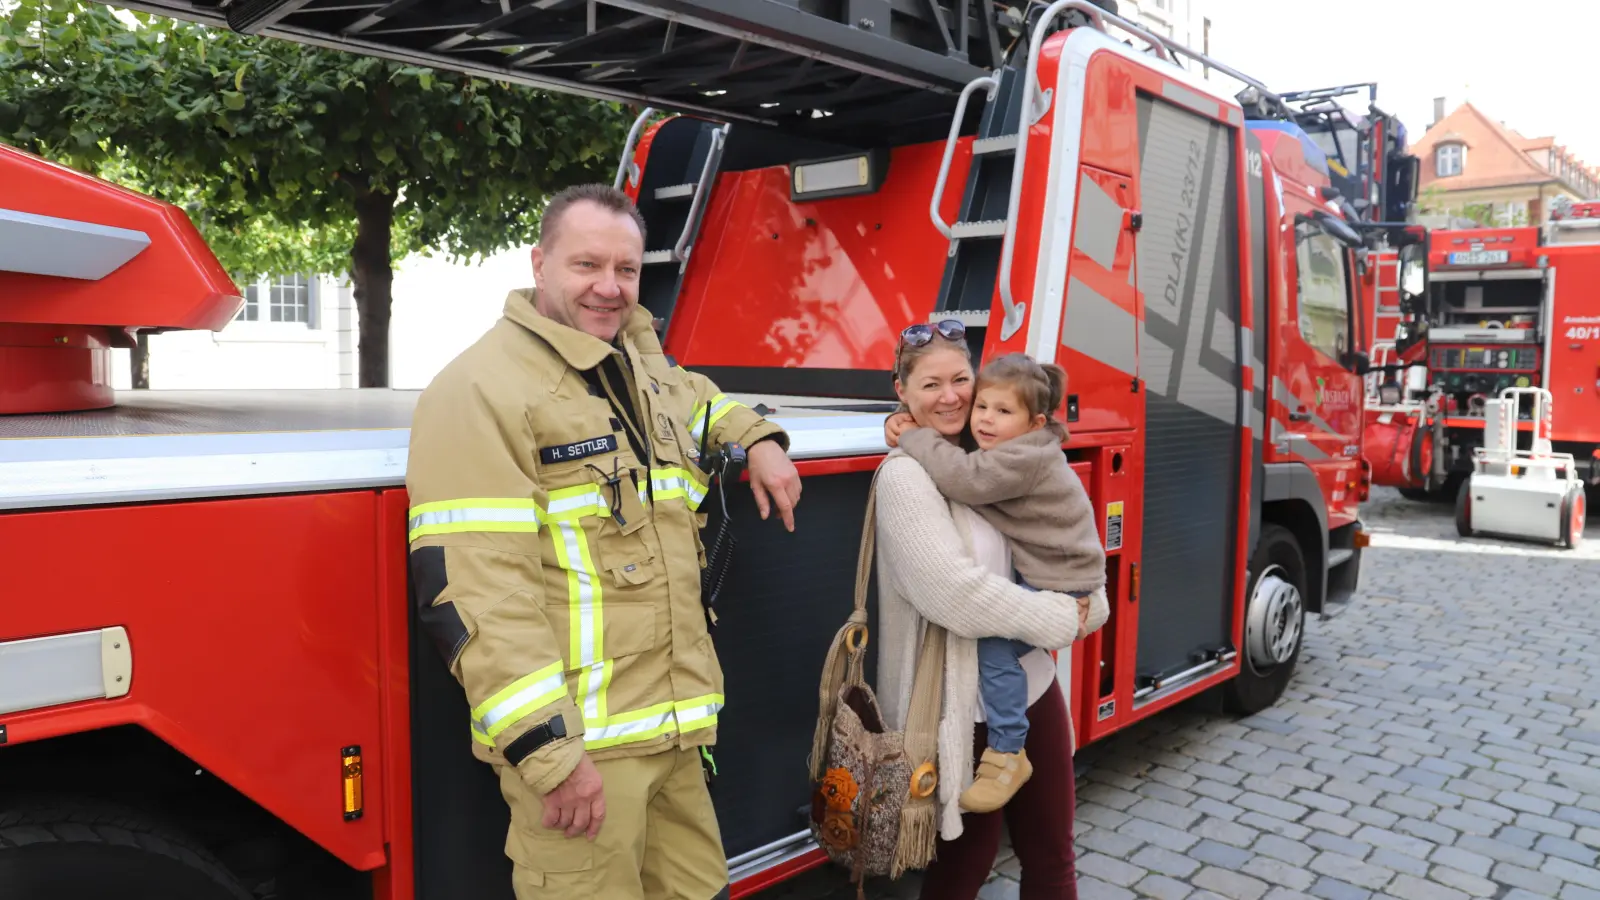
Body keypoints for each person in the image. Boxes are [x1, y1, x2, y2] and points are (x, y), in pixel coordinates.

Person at [404, 183, 803, 900]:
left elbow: (698, 399)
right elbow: (477, 593)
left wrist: (758, 436)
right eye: (587, 265)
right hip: (586, 756)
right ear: (539, 263)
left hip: (675, 737)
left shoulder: (636, 363)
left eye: (627, 269)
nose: (609, 287)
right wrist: (551, 754)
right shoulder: (481, 390)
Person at [871, 319, 1108, 900]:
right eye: (929, 385)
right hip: (959, 707)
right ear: (901, 392)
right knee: (962, 872)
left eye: (960, 380)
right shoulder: (905, 477)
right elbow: (956, 594)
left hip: (1031, 687)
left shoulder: (997, 456)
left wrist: (1087, 599)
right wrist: (1061, 618)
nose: (950, 396)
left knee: (1052, 855)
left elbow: (1063, 544)